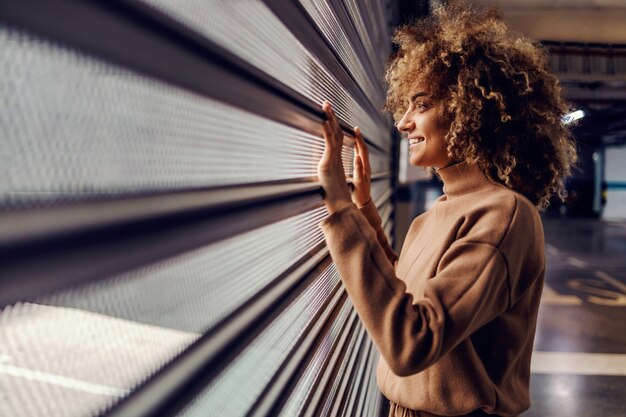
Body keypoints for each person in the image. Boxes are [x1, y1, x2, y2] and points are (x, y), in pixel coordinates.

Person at [316, 1, 578, 416]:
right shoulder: (437, 214)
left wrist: (337, 207)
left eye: (421, 105)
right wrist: (362, 208)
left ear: (470, 110)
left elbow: (413, 340)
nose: (402, 123)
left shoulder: (503, 215)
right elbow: (404, 292)